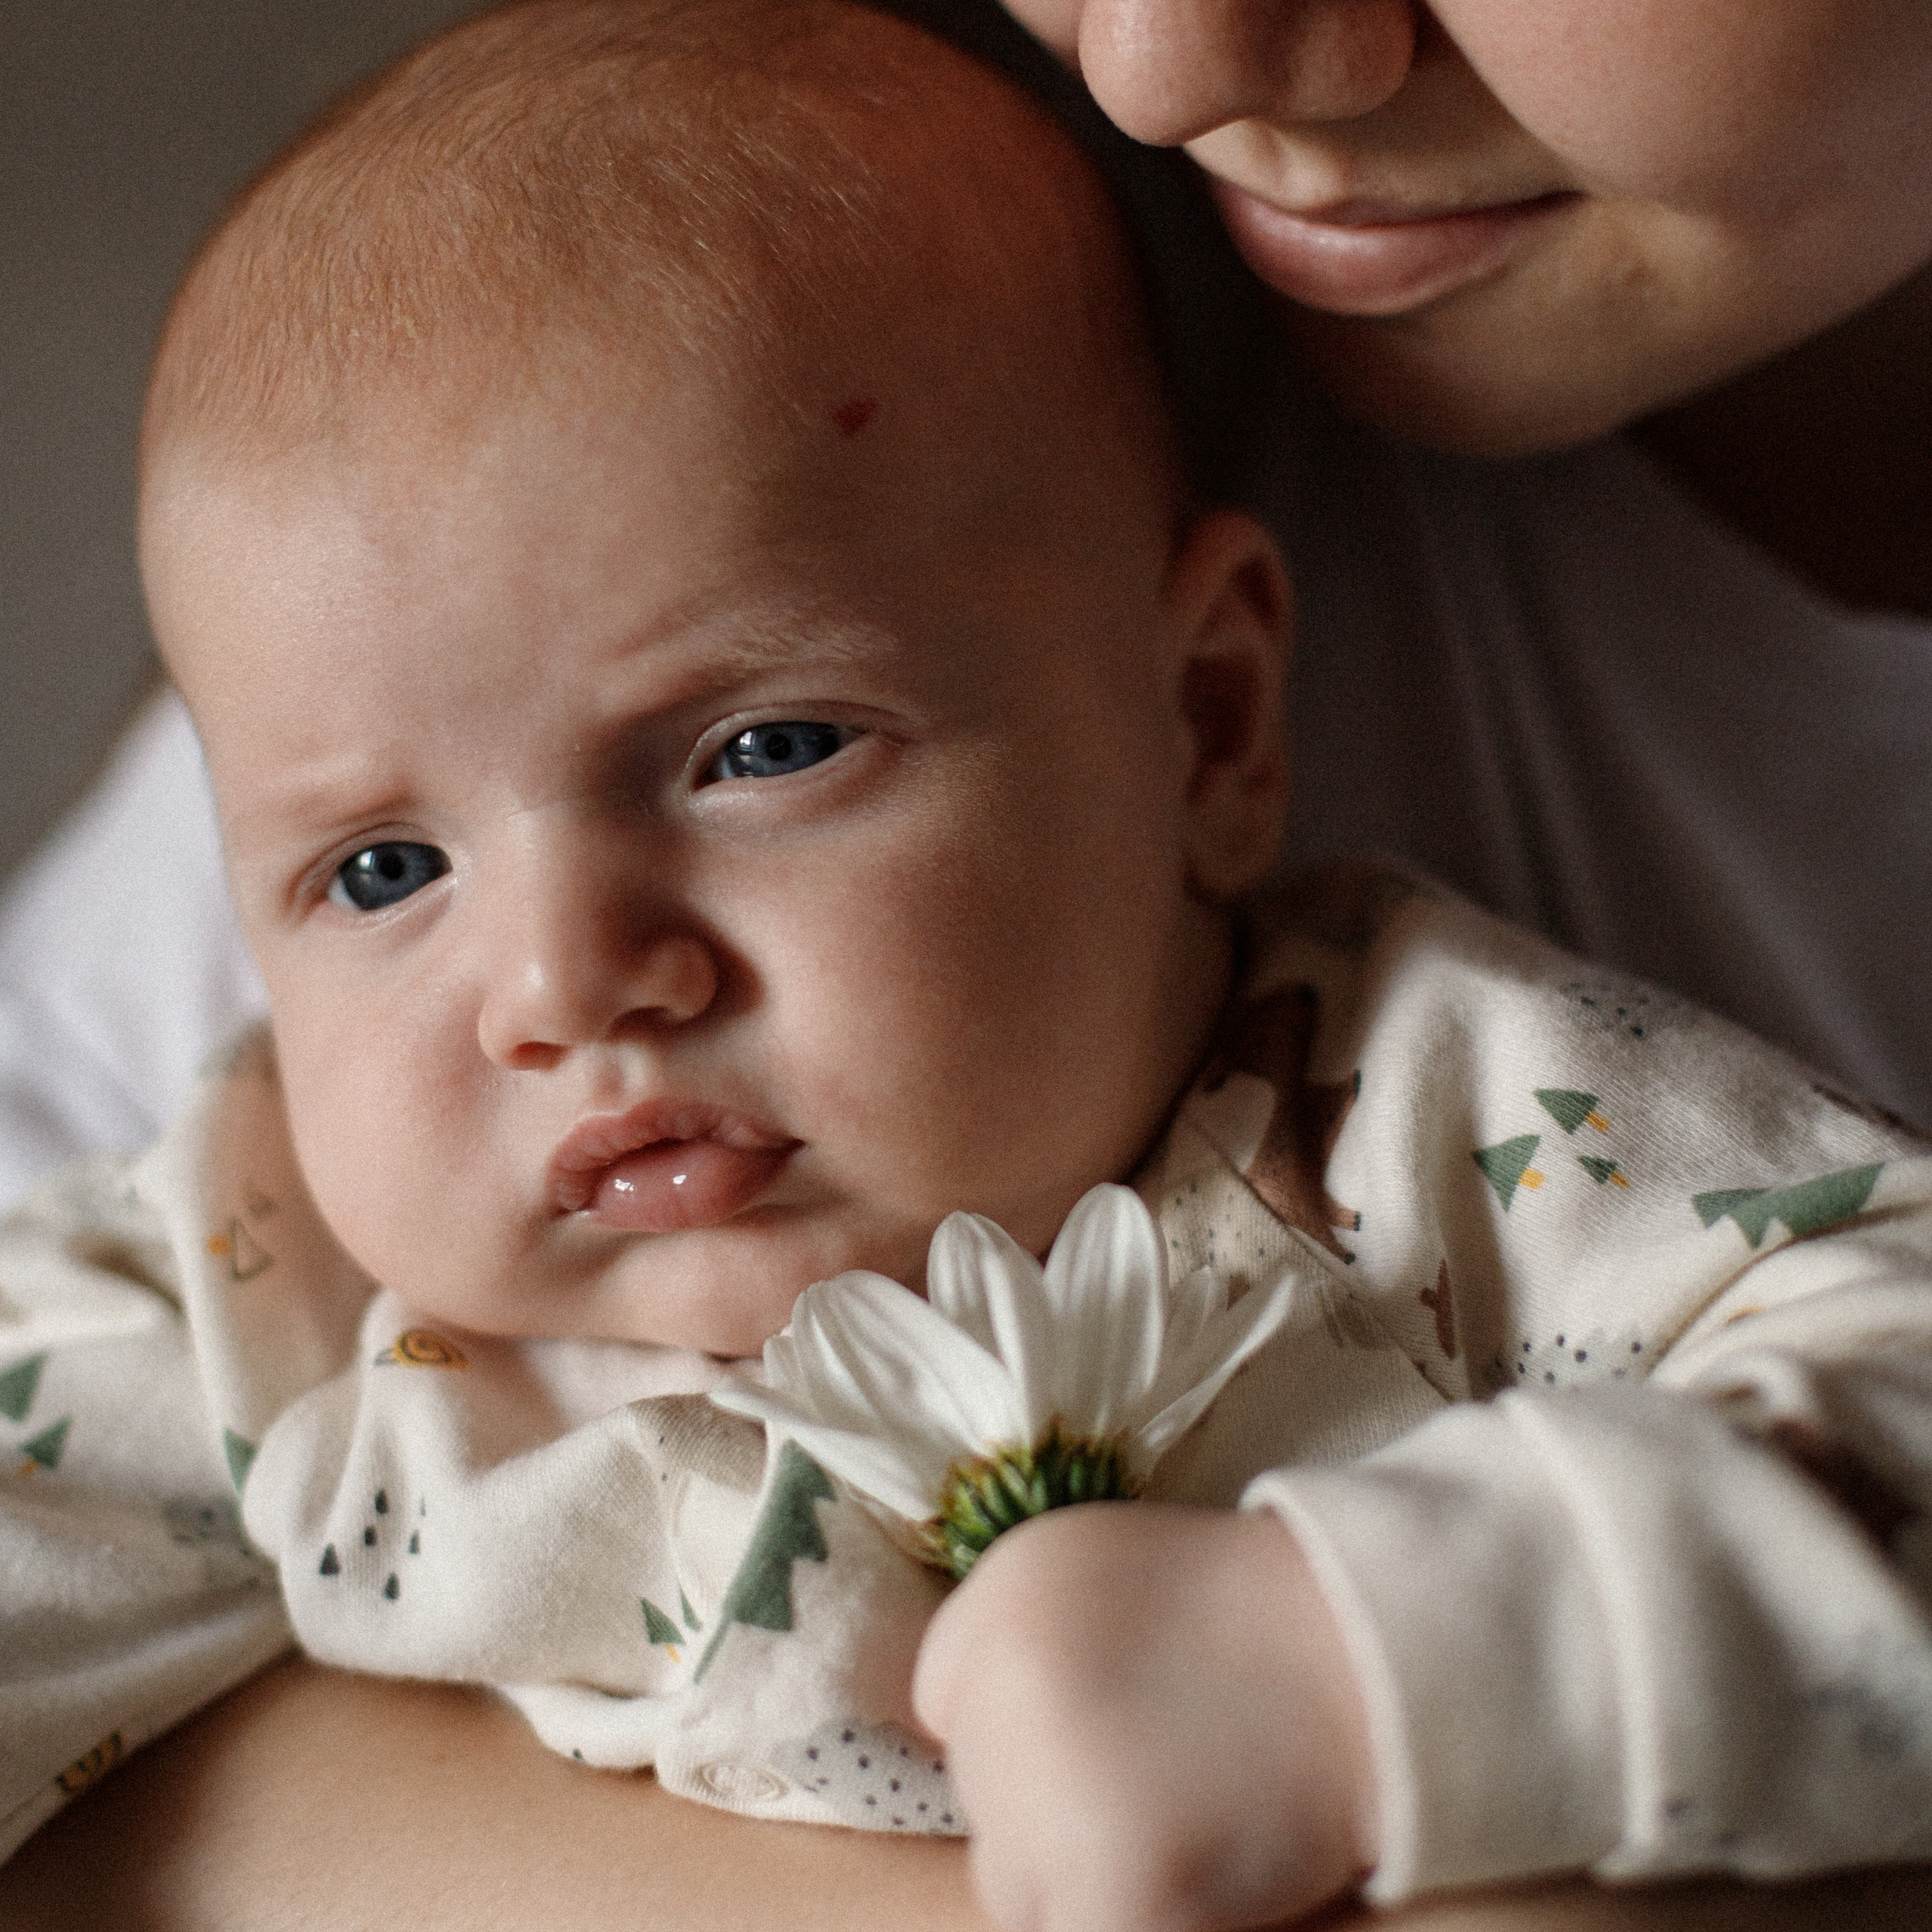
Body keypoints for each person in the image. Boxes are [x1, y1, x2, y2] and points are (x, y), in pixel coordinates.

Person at [6, 8, 1932, 1932]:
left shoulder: (1449, 1129)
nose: (566, 982)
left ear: (1206, 716)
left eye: (764, 752)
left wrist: (1354, 1666)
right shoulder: (264, 1269)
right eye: (383, 869)